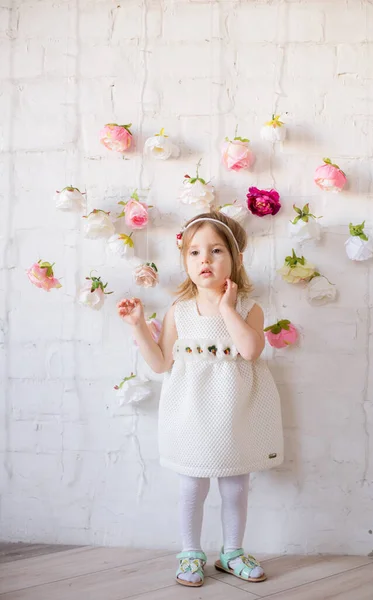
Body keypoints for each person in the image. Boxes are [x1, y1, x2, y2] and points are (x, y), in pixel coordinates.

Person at [117, 210, 283, 588]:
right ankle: (191, 553)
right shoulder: (180, 310)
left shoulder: (248, 309)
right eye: (194, 252)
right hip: (191, 411)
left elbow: (251, 350)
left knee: (235, 484)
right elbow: (161, 363)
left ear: (236, 259)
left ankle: (232, 552)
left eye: (216, 250)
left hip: (236, 413)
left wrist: (227, 309)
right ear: (185, 261)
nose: (204, 259)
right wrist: (139, 326)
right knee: (193, 484)